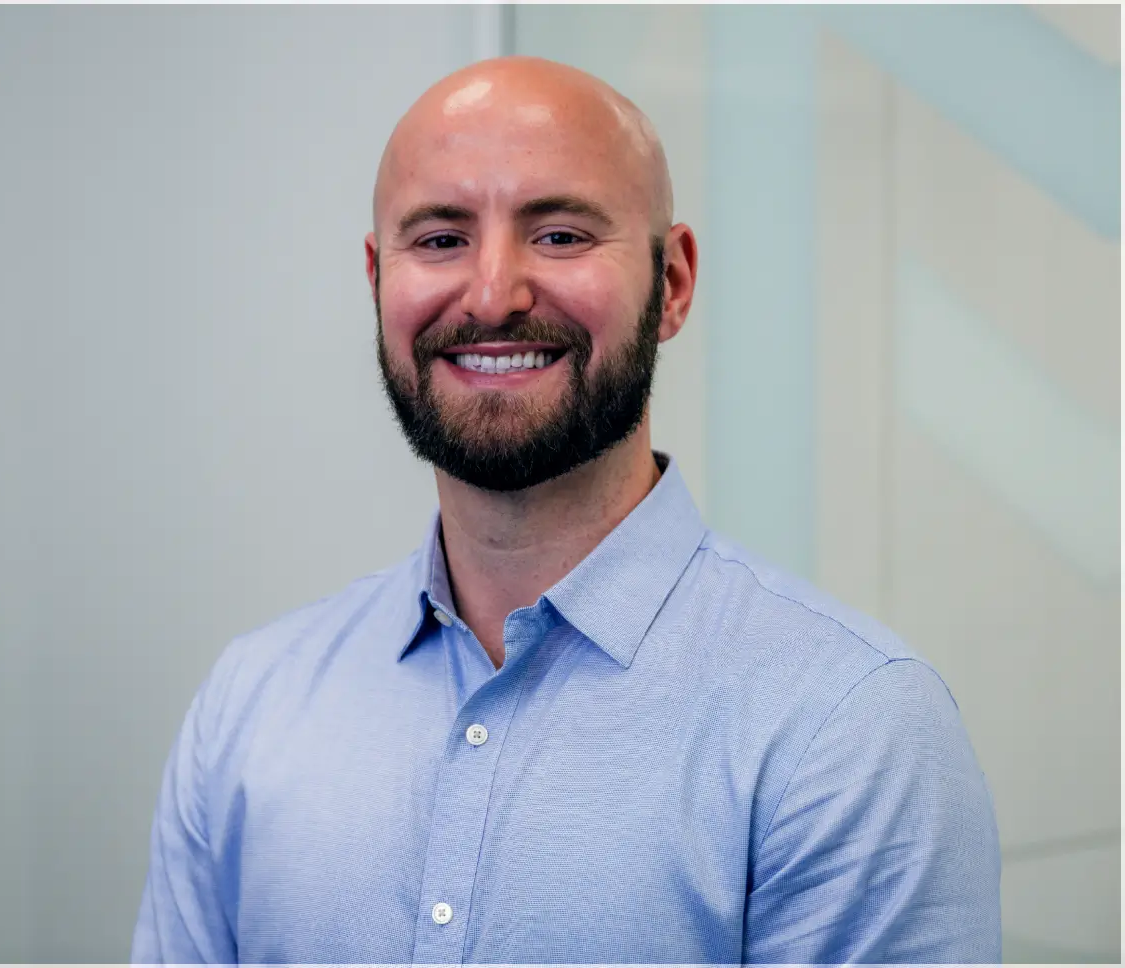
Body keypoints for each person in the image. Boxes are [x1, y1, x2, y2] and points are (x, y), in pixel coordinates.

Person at [132, 56, 1001, 964]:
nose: (492, 293)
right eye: (439, 240)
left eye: (559, 235)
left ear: (672, 284)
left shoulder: (848, 730)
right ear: (376, 278)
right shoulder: (249, 707)